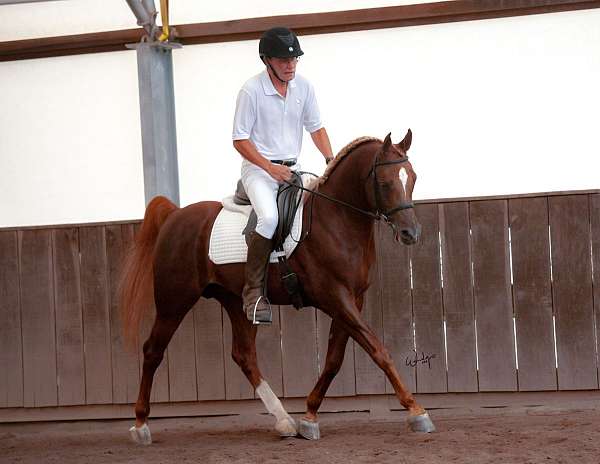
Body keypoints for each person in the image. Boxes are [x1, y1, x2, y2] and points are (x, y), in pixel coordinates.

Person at [232, 26, 334, 325]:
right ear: (267, 61)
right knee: (269, 218)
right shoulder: (251, 90)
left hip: (292, 170)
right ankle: (252, 292)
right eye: (283, 60)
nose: (290, 65)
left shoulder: (304, 87)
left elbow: (316, 127)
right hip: (259, 171)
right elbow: (239, 139)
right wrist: (268, 167)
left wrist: (330, 159)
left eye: (294, 60)